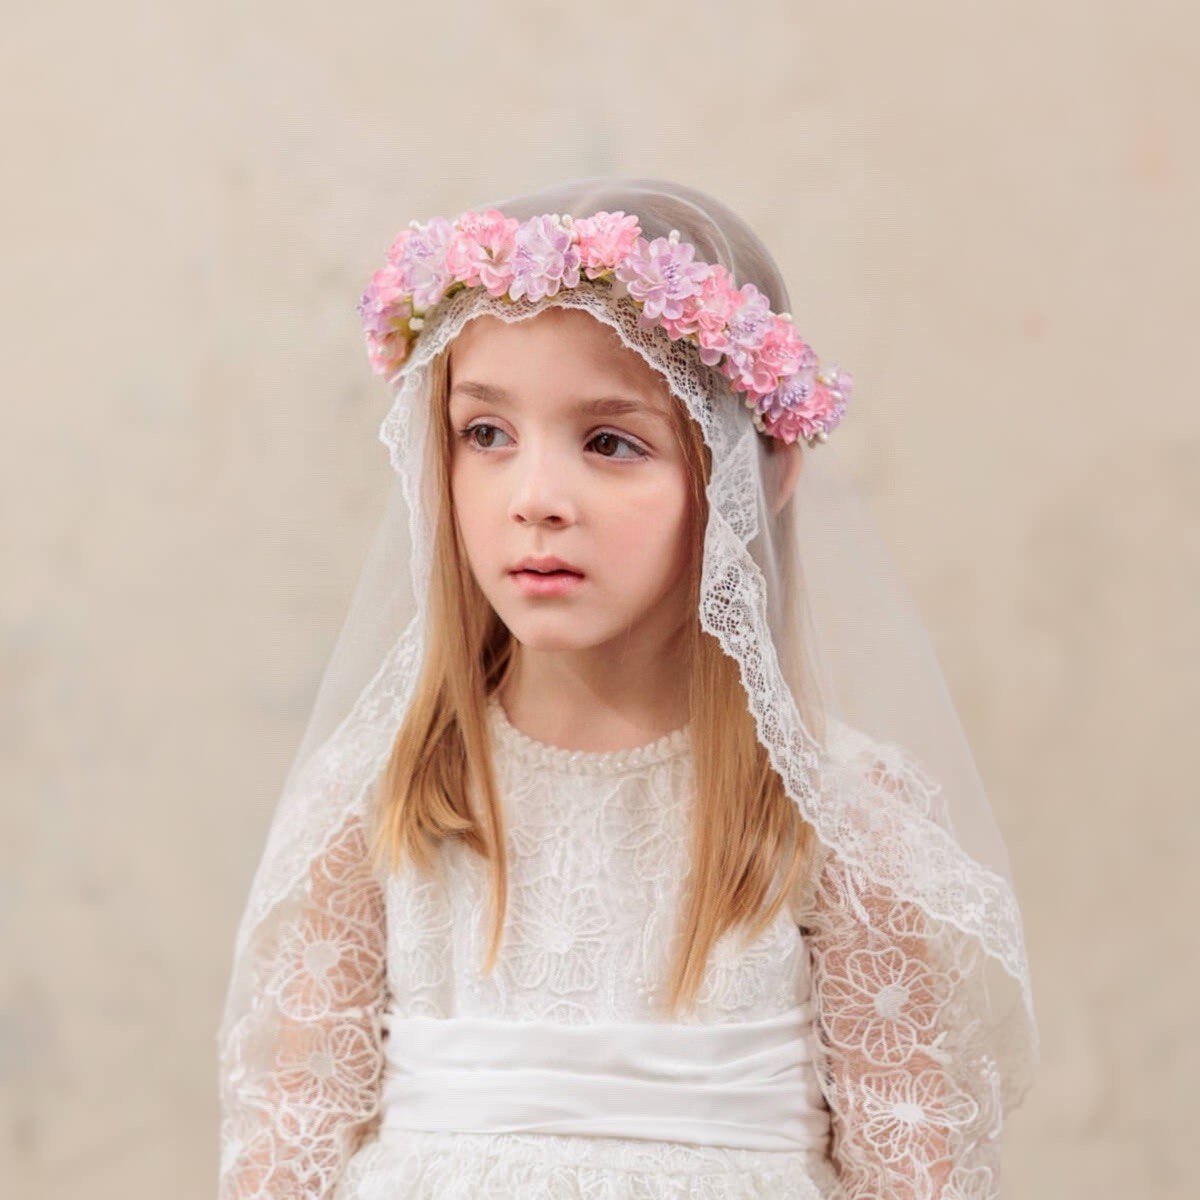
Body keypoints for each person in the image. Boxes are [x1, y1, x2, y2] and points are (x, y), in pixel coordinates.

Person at [216, 177, 1038, 1199]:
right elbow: (282, 1166)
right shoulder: (376, 803)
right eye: (485, 435)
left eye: (610, 442)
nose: (535, 500)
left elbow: (914, 1180)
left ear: (756, 472)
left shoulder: (840, 817)